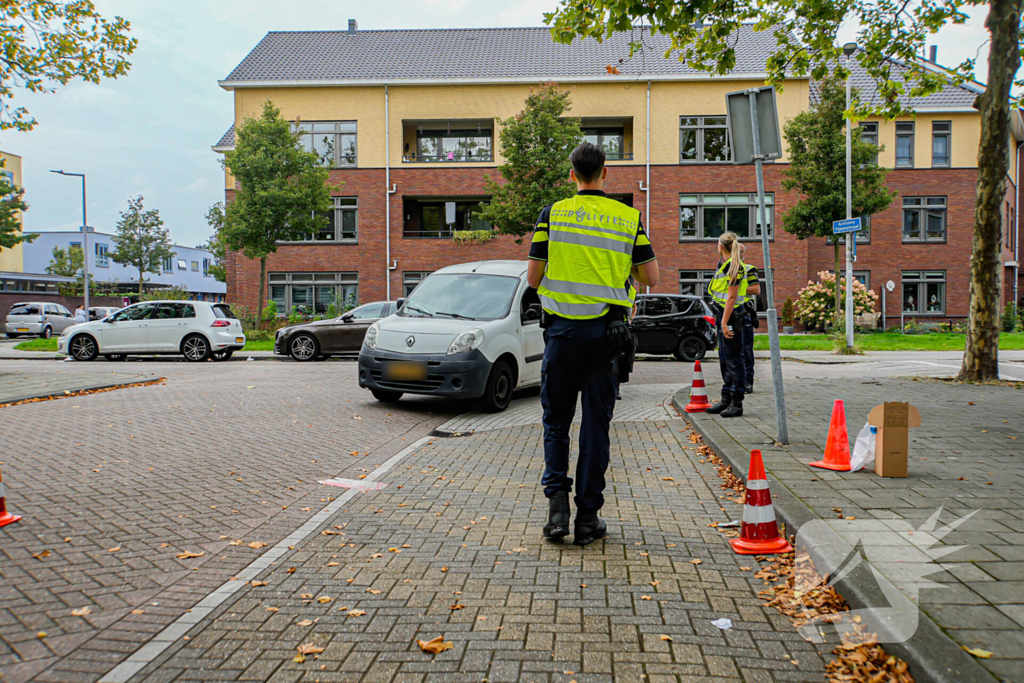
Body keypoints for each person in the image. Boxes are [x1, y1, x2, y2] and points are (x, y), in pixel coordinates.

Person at [527, 141, 659, 546]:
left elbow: (533, 279)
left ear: (572, 175)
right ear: (605, 173)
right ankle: (588, 518)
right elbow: (650, 276)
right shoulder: (627, 217)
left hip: (562, 336)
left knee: (556, 424)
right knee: (596, 427)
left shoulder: (553, 214)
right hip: (606, 337)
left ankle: (556, 513)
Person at [706, 232, 749, 418]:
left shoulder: (734, 266)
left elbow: (732, 296)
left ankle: (737, 403)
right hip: (722, 315)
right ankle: (726, 398)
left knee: (734, 359)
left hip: (730, 318)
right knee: (725, 359)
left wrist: (724, 322)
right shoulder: (724, 264)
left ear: (721, 246)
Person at [737, 244, 761, 394]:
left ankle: (747, 381)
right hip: (729, 312)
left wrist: (734, 288)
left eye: (741, 252)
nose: (738, 254)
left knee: (746, 349)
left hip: (744, 313)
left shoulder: (748, 269)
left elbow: (756, 289)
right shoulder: (724, 270)